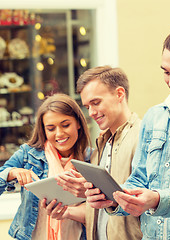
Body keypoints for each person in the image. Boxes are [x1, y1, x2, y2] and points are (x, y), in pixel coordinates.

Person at [84, 26, 170, 239]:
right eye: (166, 72)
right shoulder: (154, 116)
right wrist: (114, 198)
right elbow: (139, 179)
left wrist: (157, 200)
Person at [0, 93, 91, 240]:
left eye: (65, 125)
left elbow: (100, 212)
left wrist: (68, 211)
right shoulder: (28, 154)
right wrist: (11, 172)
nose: (59, 133)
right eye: (51, 128)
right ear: (43, 130)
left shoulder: (92, 159)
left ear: (78, 124)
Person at [55, 66, 143, 240]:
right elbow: (101, 212)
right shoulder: (102, 143)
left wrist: (96, 189)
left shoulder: (141, 137)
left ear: (119, 94)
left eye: (96, 103)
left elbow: (144, 199)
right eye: (87, 106)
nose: (91, 113)